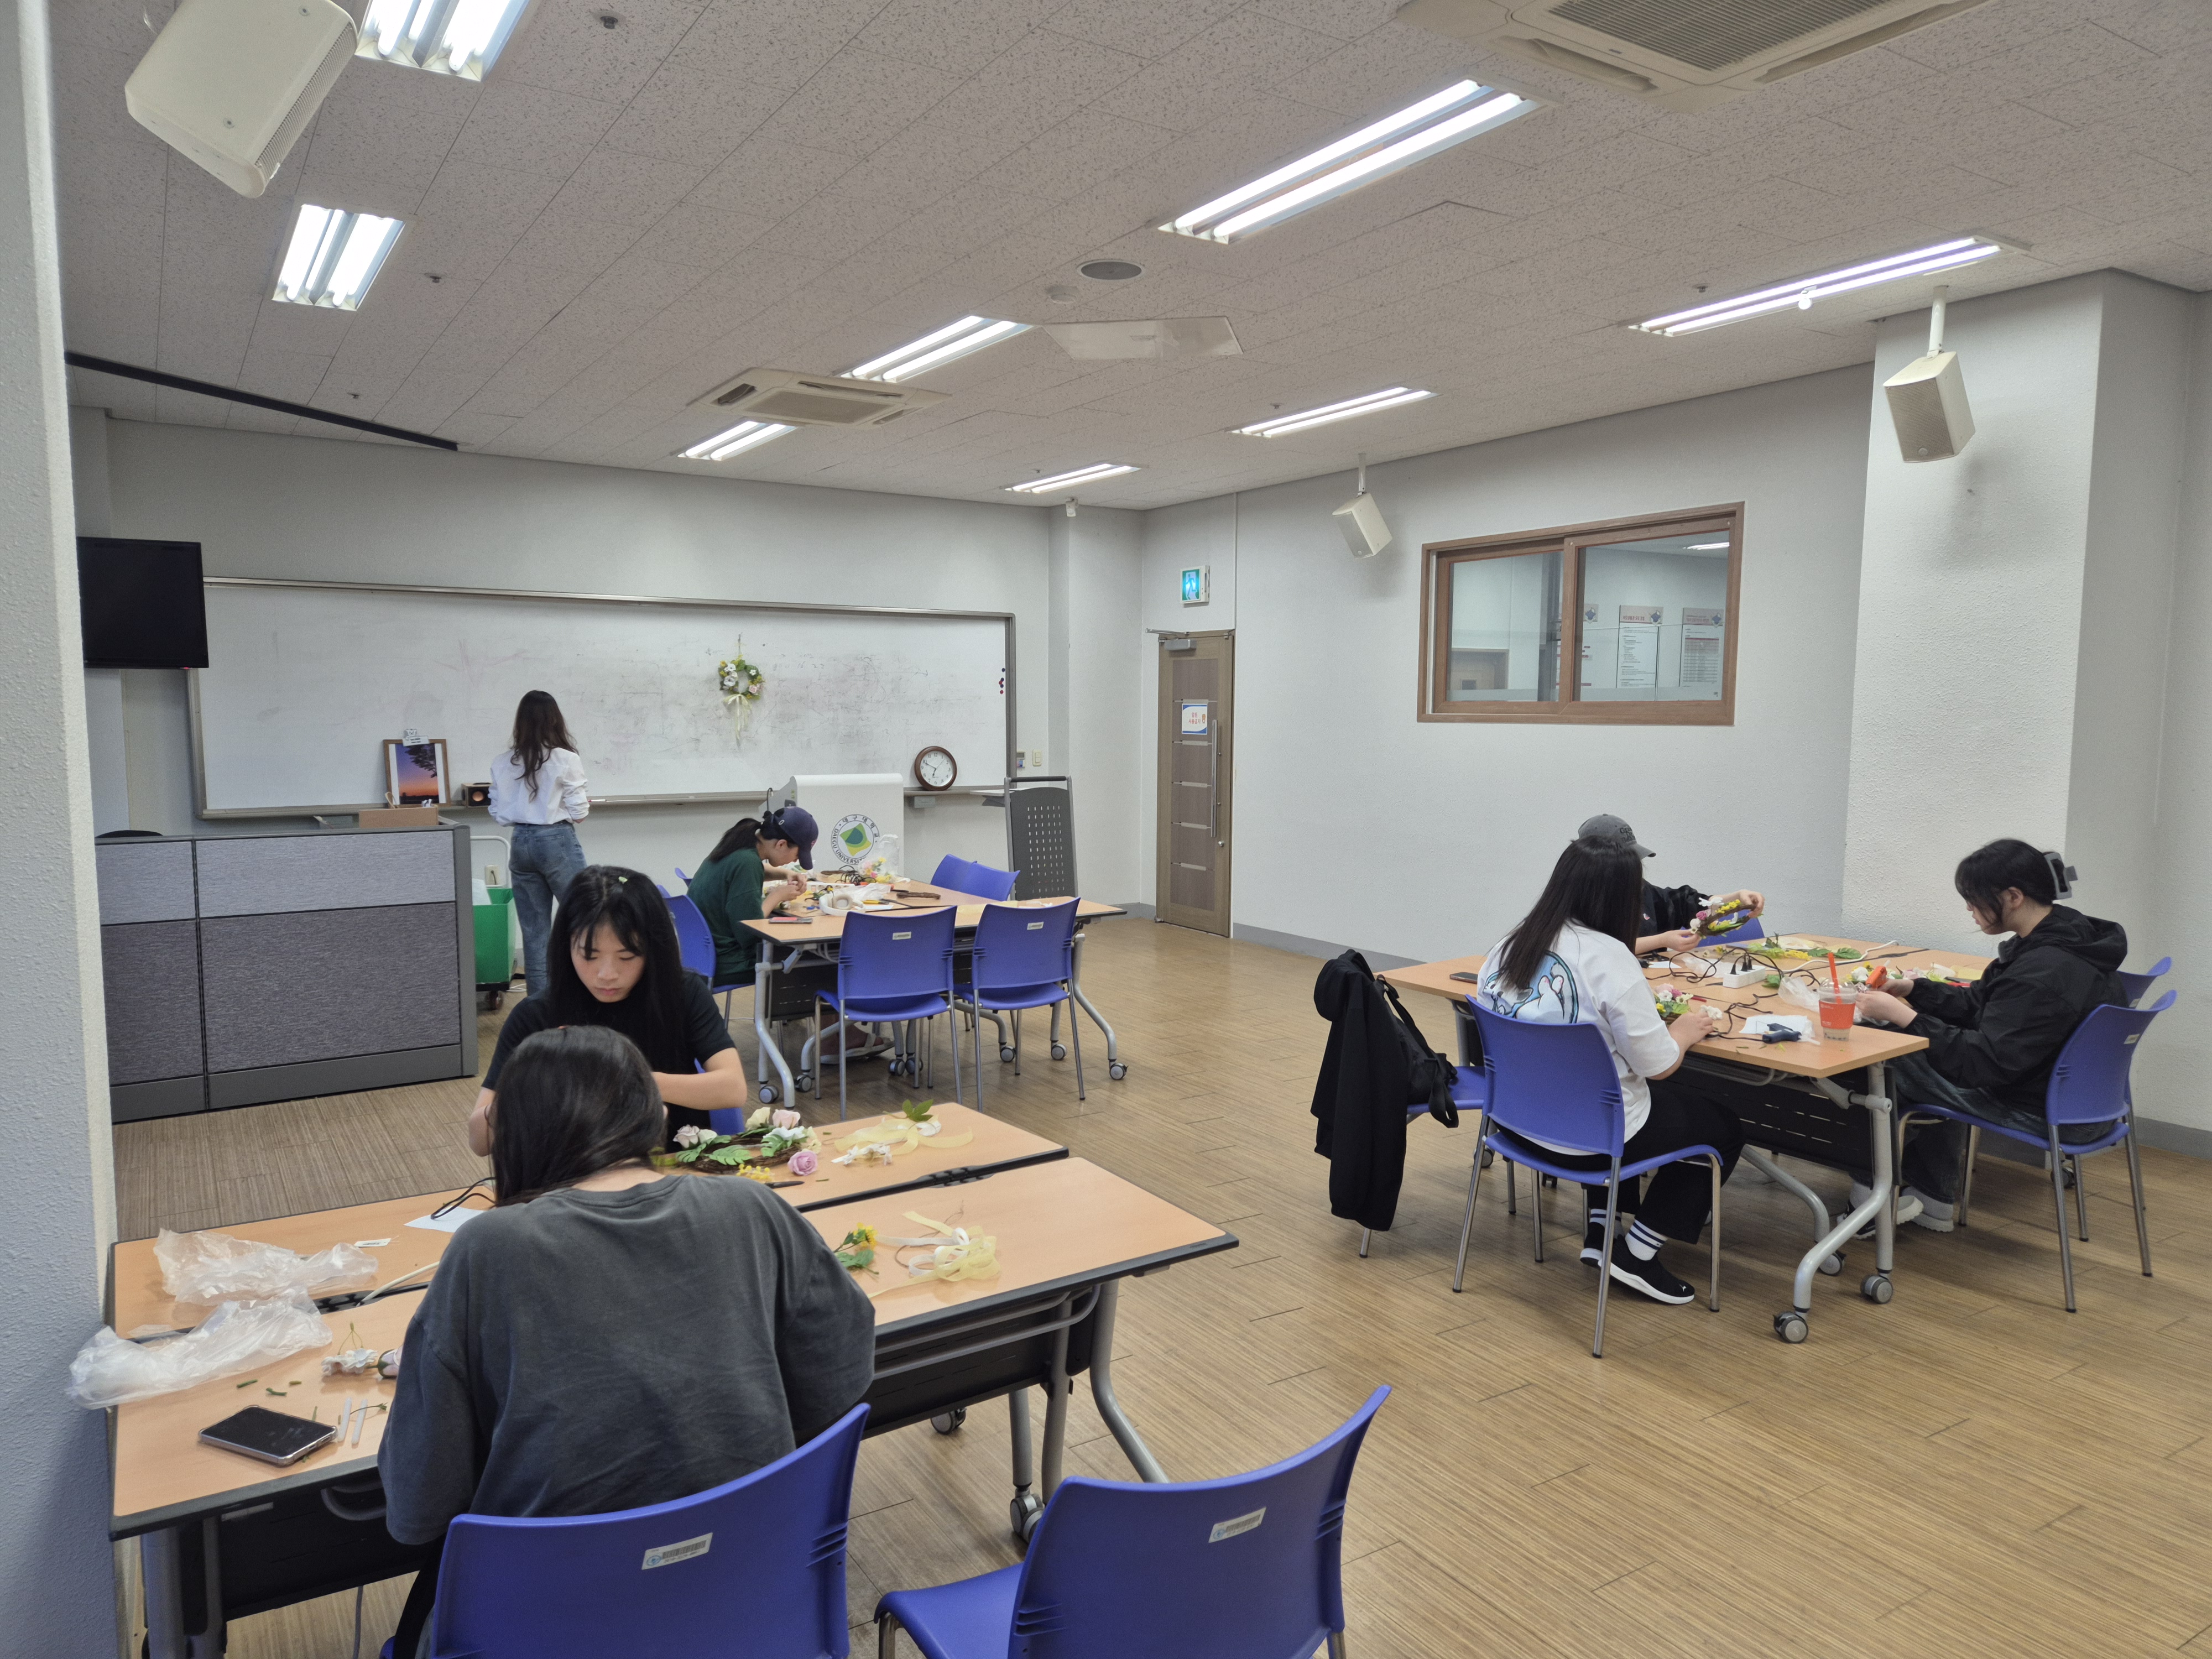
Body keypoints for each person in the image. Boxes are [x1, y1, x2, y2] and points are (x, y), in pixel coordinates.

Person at [382, 1024, 875, 1659]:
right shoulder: (753, 1208)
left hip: (552, 1626)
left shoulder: (488, 1249)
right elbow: (839, 1377)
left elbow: (419, 1505)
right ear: (658, 1116)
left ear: (510, 1135)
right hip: (748, 1599)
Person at [1475, 834, 1745, 1305]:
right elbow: (1659, 1066)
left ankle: (1602, 1227)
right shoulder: (1610, 958)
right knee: (1720, 1126)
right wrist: (1684, 1031)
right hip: (1589, 1141)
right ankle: (1636, 1254)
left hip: (1518, 1126)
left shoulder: (1509, 944)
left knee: (1610, 1092)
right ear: (1622, 896)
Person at [1848, 838, 2126, 1231]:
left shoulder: (2043, 972)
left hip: (2043, 1108)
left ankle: (1868, 1207)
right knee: (1919, 1047)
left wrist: (1905, 1019)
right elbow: (1980, 1004)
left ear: (2013, 897)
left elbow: (1980, 1064)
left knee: (1880, 1056)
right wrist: (1915, 991)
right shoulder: (2065, 937)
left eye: (1974, 899)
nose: (1970, 909)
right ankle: (1932, 1197)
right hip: (2077, 1097)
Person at [468, 864, 749, 1151]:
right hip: (577, 1171)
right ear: (567, 946)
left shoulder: (682, 994)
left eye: (627, 956)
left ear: (653, 949)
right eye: (589, 955)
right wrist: (536, 1085)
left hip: (671, 1164)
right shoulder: (536, 1015)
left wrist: (626, 1080)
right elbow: (480, 1142)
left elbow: (733, 1089)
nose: (607, 974)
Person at [491, 691, 590, 998]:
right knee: (585, 917)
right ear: (554, 720)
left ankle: (540, 1007)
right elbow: (579, 813)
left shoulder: (502, 762)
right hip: (556, 840)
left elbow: (496, 811)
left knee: (534, 933)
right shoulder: (565, 758)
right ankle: (583, 996)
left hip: (520, 841)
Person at [1578, 812, 1765, 958]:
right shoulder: (1581, 903)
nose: (1634, 867)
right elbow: (1599, 950)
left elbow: (1691, 903)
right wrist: (1661, 940)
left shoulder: (1645, 892)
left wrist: (1738, 897)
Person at [685, 806, 821, 989]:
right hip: (726, 961)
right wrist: (777, 895)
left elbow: (753, 869)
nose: (796, 861)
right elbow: (750, 930)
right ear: (781, 844)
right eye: (797, 855)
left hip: (700, 954)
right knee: (811, 959)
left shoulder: (738, 845)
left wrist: (785, 873)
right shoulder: (747, 863)